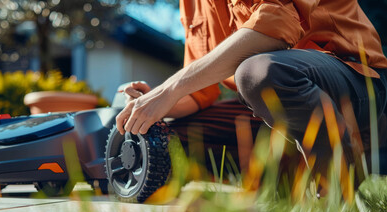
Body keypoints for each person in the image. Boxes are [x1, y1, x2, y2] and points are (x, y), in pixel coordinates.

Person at [116, 0, 387, 183]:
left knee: (258, 73)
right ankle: (284, 176)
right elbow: (201, 92)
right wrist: (152, 102)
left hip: (352, 79)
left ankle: (336, 182)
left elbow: (275, 25)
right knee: (168, 140)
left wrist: (169, 90)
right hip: (269, 105)